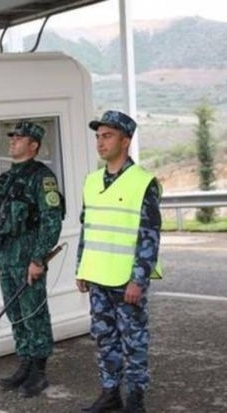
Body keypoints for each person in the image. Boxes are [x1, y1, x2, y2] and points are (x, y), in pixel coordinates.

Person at [76, 110, 162, 413]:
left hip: (127, 281)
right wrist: (81, 268)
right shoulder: (91, 181)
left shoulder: (143, 182)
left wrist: (138, 279)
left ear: (125, 141)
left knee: (134, 341)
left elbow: (149, 235)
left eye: (107, 136)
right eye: (98, 136)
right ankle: (111, 393)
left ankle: (135, 399)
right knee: (104, 339)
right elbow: (87, 229)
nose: (100, 142)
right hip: (98, 275)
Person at [0, 120, 64, 397]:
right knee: (15, 314)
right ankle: (25, 362)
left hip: (28, 258)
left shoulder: (42, 178)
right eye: (13, 137)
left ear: (34, 145)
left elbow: (51, 221)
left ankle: (39, 372)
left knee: (34, 314)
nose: (13, 141)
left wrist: (38, 259)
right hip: (7, 258)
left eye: (19, 138)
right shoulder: (4, 179)